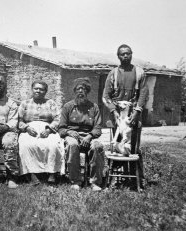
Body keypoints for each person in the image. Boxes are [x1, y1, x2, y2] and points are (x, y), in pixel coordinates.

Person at [102, 44, 148, 187]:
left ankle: (134, 178)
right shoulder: (113, 73)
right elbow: (106, 96)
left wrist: (137, 112)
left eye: (128, 53)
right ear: (118, 56)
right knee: (116, 144)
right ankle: (115, 176)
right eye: (122, 54)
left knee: (132, 145)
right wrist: (113, 112)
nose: (125, 56)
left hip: (133, 114)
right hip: (117, 115)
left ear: (131, 54)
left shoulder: (140, 72)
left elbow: (144, 93)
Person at [58, 77, 104, 191]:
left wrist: (89, 136)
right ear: (74, 91)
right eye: (78, 89)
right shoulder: (68, 106)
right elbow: (61, 128)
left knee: (97, 146)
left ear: (87, 91)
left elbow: (98, 127)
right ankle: (76, 181)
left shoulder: (94, 107)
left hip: (89, 136)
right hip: (72, 135)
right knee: (72, 145)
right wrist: (69, 131)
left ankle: (95, 182)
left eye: (83, 89)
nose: (80, 91)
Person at [18, 81, 64, 185]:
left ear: (45, 91)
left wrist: (49, 129)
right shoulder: (25, 103)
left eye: (41, 89)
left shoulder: (51, 103)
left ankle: (52, 173)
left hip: (47, 129)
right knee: (25, 145)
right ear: (32, 89)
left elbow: (57, 119)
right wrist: (27, 128)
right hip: (29, 129)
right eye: (36, 88)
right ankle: (31, 174)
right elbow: (20, 120)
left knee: (53, 145)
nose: (38, 91)